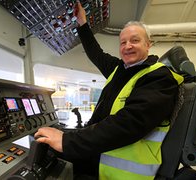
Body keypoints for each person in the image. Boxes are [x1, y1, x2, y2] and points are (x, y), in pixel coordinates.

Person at [35, 2, 184, 180]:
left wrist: (67, 141)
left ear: (148, 44)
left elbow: (129, 123)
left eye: (135, 40)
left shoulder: (159, 77)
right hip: (99, 153)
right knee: (43, 151)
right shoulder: (119, 69)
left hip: (118, 169)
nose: (128, 46)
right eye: (123, 42)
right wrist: (82, 23)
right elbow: (95, 53)